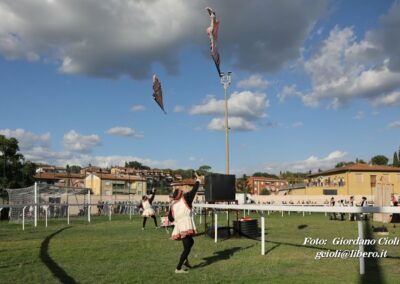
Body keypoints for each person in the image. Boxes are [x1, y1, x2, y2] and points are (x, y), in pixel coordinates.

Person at [168, 172, 201, 274]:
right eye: (182, 191)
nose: (184, 191)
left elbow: (171, 219)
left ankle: (185, 261)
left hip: (180, 226)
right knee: (187, 248)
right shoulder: (185, 199)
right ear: (181, 194)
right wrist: (198, 181)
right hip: (185, 225)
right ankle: (178, 268)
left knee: (190, 242)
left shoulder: (173, 205)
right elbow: (194, 190)